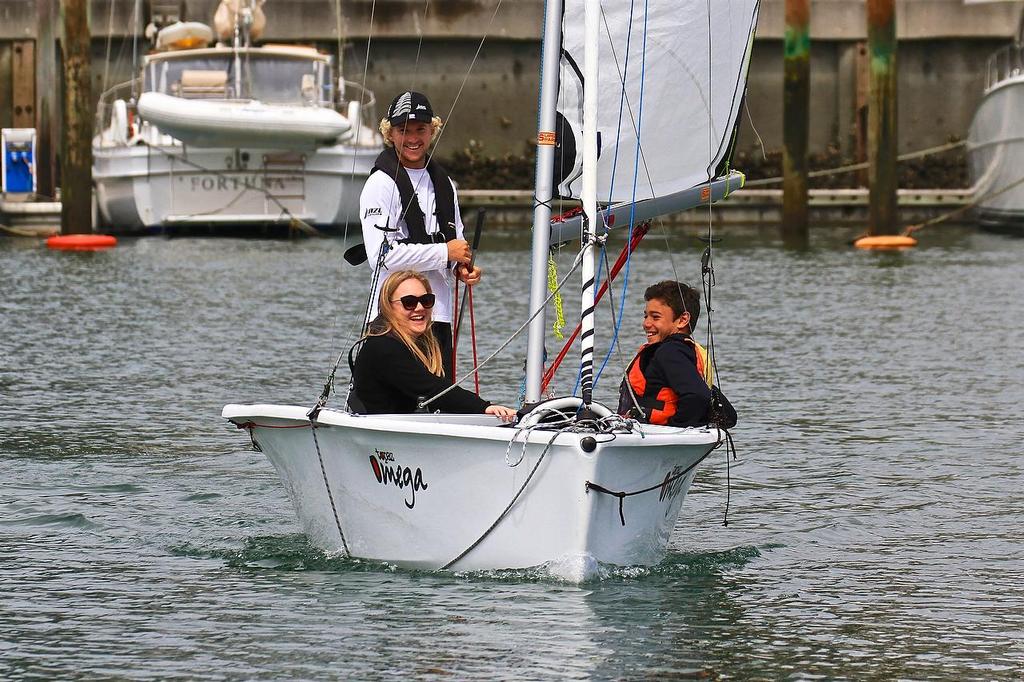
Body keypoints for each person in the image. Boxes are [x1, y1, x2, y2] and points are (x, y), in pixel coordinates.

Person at [357, 91, 482, 379]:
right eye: (404, 130)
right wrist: (444, 254)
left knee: (438, 401)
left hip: (436, 315)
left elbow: (457, 244)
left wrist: (461, 267)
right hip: (393, 318)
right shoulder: (380, 184)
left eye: (420, 130)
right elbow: (380, 256)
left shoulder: (445, 183)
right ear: (390, 134)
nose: (413, 138)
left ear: (432, 131)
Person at [351, 270, 516, 420]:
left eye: (426, 300)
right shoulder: (383, 347)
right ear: (389, 306)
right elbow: (431, 389)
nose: (420, 307)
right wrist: (484, 407)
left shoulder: (420, 343)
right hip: (379, 438)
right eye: (409, 302)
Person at [617, 280, 737, 428]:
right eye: (645, 316)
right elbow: (727, 414)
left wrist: (676, 429)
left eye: (655, 317)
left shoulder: (670, 352)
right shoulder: (683, 350)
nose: (646, 324)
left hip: (656, 436)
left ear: (682, 320)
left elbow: (698, 396)